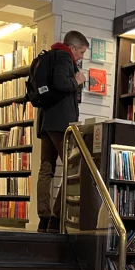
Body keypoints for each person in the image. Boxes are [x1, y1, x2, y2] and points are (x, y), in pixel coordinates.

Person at [36, 30, 89, 233]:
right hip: (61, 124)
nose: (81, 56)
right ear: (73, 47)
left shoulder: (51, 56)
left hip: (47, 122)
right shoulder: (64, 57)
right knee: (72, 169)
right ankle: (56, 218)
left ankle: (44, 217)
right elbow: (61, 83)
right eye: (81, 52)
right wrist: (77, 80)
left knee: (46, 169)